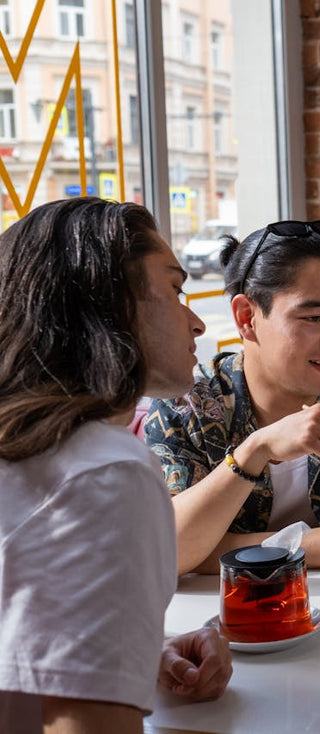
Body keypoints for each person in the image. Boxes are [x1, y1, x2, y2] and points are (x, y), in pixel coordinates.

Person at [0, 198, 232, 733]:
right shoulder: (106, 473)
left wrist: (136, 647)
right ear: (112, 304)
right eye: (176, 289)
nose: (196, 321)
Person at [144, 220, 320, 575]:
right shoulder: (188, 405)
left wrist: (228, 551)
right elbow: (167, 548)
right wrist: (255, 451)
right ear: (246, 317)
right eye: (313, 317)